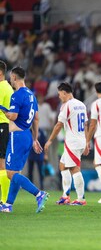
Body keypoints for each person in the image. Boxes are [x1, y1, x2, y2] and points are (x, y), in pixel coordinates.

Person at [0, 66, 49, 213]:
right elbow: (36, 118)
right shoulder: (31, 95)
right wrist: (35, 139)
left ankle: (39, 194)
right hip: (27, 136)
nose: (10, 80)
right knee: (16, 173)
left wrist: (1, 107)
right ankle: (8, 205)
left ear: (14, 77)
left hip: (17, 136)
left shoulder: (17, 95)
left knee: (10, 174)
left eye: (11, 77)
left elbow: (13, 116)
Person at [44, 82, 89, 206]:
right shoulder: (81, 104)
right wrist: (87, 141)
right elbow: (85, 124)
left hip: (72, 142)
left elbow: (59, 125)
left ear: (64, 93)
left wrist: (50, 140)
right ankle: (65, 196)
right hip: (79, 140)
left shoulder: (66, 106)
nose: (59, 97)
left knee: (75, 169)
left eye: (59, 94)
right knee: (63, 166)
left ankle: (81, 199)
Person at [0, 60, 13, 204]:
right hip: (4, 126)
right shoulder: (8, 87)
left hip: (2, 125)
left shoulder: (2, 87)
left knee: (2, 164)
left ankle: (4, 200)